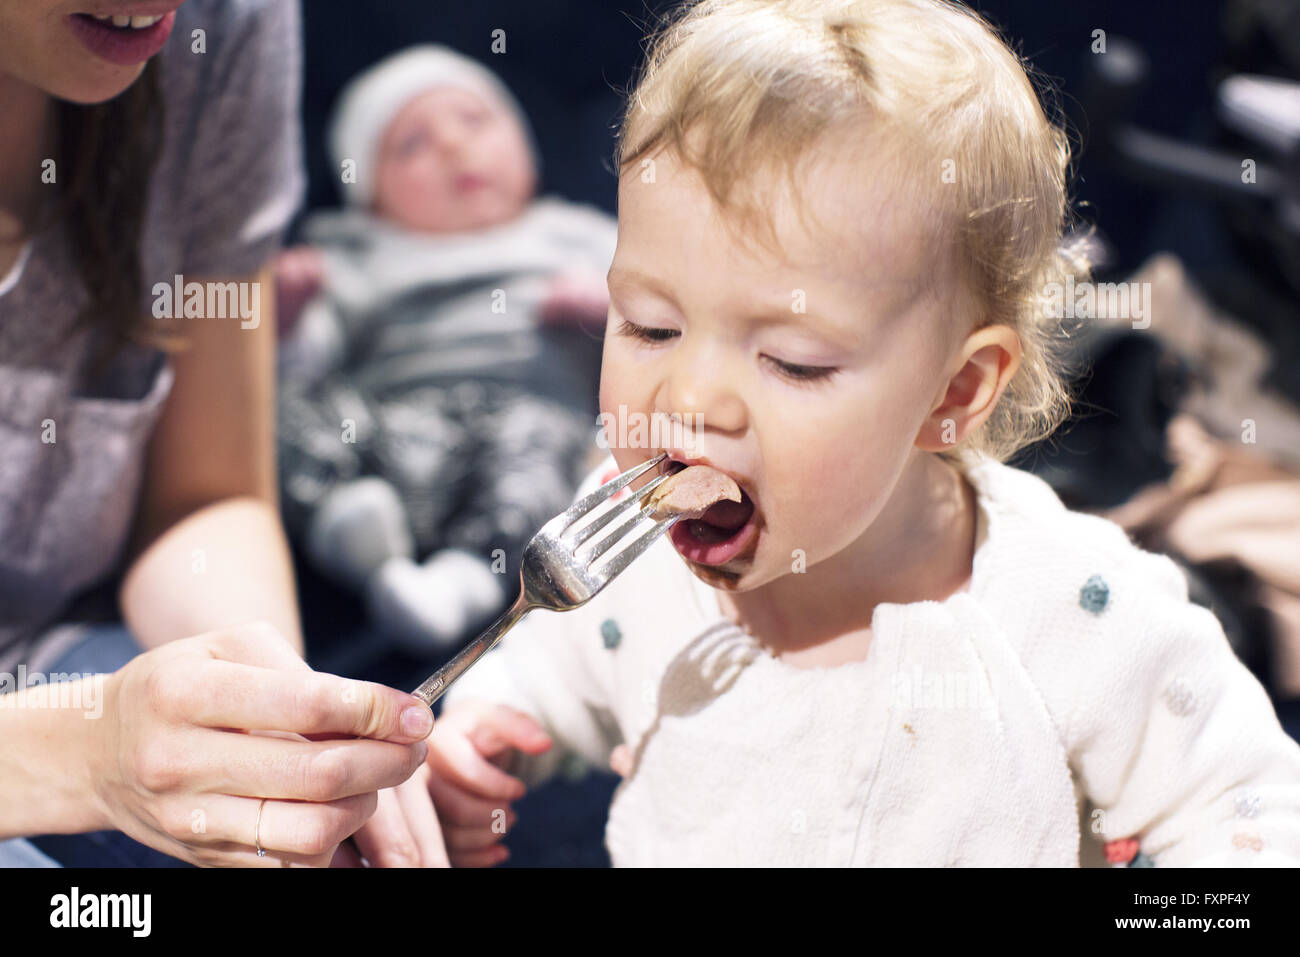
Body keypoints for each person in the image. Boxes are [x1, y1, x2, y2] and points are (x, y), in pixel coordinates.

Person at [420, 0, 1300, 866]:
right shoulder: (625, 558)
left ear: (953, 390)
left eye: (794, 361)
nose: (687, 397)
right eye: (651, 325)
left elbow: (1248, 809)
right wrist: (488, 737)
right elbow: (552, 672)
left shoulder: (1072, 611)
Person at [0, 0, 443, 867]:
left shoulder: (224, 24)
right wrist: (84, 760)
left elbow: (205, 496)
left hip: (56, 656)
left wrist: (280, 722)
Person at [275, 45, 616, 653]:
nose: (454, 147)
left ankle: (463, 581)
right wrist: (291, 320)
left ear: (527, 153)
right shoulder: (361, 256)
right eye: (412, 144)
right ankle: (352, 530)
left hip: (523, 424)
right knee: (280, 415)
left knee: (547, 455)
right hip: (393, 437)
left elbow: (668, 315)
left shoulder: (574, 236)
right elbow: (311, 364)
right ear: (370, 198)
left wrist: (607, 310)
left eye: (476, 122)